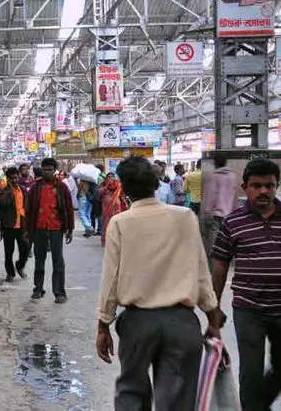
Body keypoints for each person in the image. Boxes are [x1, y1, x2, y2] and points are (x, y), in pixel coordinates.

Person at [96, 156, 220, 411]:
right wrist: (213, 320)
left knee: (131, 392)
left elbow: (111, 279)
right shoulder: (185, 216)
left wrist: (103, 325)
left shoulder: (120, 222)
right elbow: (201, 272)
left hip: (137, 323)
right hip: (181, 322)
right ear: (155, 183)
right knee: (177, 400)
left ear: (125, 188)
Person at [210, 159, 281, 411]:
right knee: (250, 373)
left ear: (276, 186)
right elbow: (220, 266)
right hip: (248, 309)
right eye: (256, 186)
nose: (263, 191)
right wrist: (213, 308)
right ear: (245, 187)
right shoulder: (233, 222)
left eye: (269, 186)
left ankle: (259, 405)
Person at [25, 157, 74, 303]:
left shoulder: (62, 187)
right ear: (42, 170)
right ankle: (38, 289)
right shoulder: (35, 187)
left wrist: (70, 228)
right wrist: (27, 229)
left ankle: (59, 292)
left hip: (56, 228)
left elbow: (68, 208)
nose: (47, 172)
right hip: (39, 227)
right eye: (45, 169)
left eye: (50, 169)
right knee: (39, 260)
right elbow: (29, 209)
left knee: (58, 261)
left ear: (55, 170)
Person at [201, 153, 238, 265]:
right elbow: (234, 194)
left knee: (214, 239)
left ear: (215, 163)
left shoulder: (214, 176)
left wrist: (207, 210)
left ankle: (215, 264)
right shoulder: (232, 176)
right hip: (230, 212)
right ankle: (228, 260)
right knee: (228, 237)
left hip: (217, 214)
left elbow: (211, 195)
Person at [0, 167, 29, 282]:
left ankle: (19, 266)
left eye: (16, 177)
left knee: (25, 250)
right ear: (8, 179)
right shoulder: (3, 191)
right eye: (11, 178)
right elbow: (3, 203)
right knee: (8, 252)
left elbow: (26, 206)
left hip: (22, 226)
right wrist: (9, 191)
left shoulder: (23, 190)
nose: (14, 180)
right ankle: (10, 273)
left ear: (18, 177)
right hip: (9, 227)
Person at [97, 172, 128, 246]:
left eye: (112, 177)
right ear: (106, 178)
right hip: (106, 208)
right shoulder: (103, 185)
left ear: (114, 178)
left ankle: (116, 241)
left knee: (116, 223)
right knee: (106, 223)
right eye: (109, 177)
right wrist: (106, 186)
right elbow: (99, 193)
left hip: (116, 207)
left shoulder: (118, 185)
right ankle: (105, 241)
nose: (110, 178)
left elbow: (122, 195)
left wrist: (126, 203)